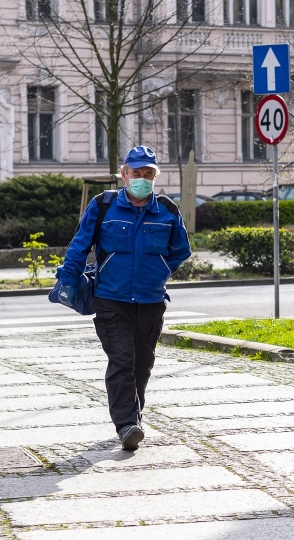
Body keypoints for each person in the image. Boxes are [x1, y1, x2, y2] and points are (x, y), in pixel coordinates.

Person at [58, 145, 191, 450]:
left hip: (151, 301)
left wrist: (158, 270)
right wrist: (69, 282)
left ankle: (134, 415)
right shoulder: (103, 206)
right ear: (124, 174)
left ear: (154, 176)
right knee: (122, 360)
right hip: (111, 300)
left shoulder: (167, 210)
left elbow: (181, 250)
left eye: (148, 174)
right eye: (136, 173)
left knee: (143, 364)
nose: (142, 178)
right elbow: (79, 246)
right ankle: (126, 424)